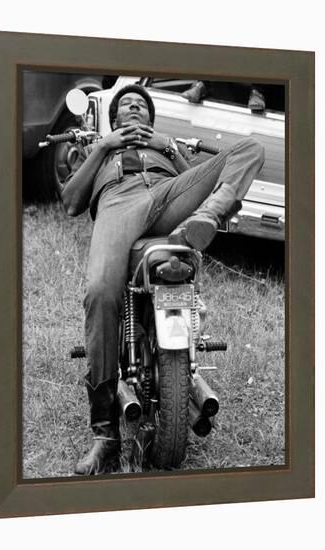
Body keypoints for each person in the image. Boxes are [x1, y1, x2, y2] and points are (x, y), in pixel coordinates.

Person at [62, 84, 265, 475]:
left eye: (141, 105)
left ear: (150, 119)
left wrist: (169, 146)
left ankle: (205, 220)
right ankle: (105, 437)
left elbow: (202, 178)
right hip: (118, 205)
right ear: (115, 119)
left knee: (250, 147)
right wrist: (105, 146)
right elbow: (72, 202)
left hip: (168, 197)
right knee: (101, 294)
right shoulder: (98, 151)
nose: (134, 108)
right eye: (126, 106)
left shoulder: (165, 148)